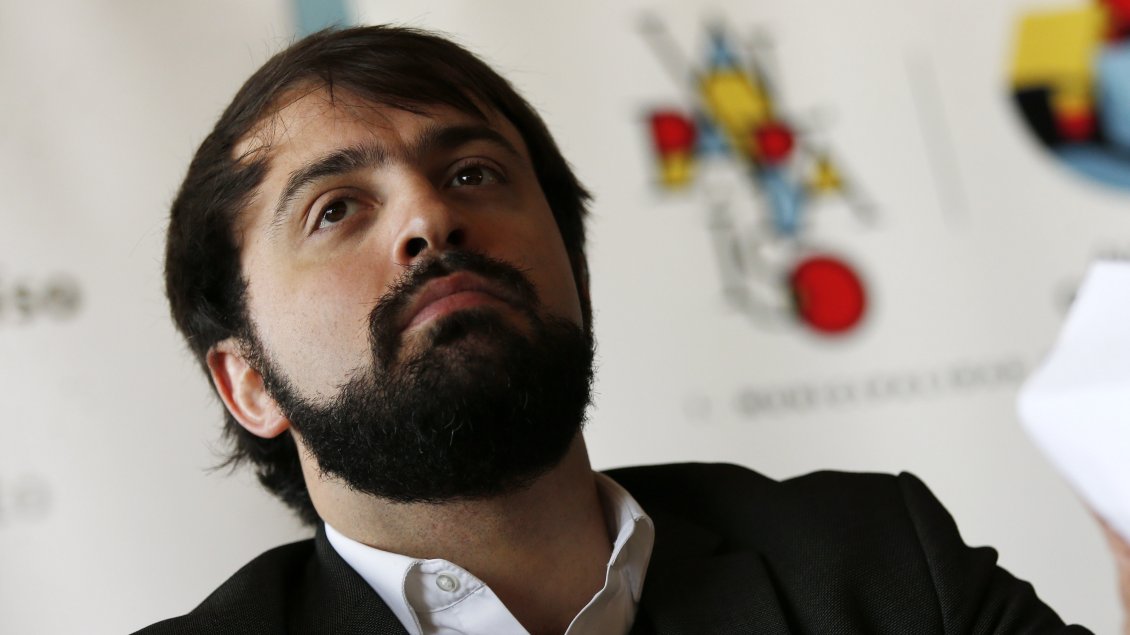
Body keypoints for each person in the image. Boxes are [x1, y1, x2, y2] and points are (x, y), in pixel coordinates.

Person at [140, 25, 1091, 634]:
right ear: (248, 381)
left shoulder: (878, 564)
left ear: (576, 271)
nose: (430, 216)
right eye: (337, 208)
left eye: (473, 173)